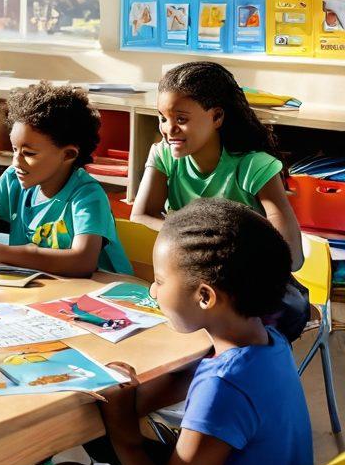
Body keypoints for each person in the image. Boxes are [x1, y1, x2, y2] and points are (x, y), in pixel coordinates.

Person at [22, 198, 313, 465]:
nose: (152, 290)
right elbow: (184, 383)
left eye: (159, 280)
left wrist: (124, 434)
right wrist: (133, 404)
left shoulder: (225, 386)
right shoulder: (268, 341)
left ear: (205, 297)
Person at [131, 60, 306, 338]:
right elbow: (141, 215)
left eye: (182, 119)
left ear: (217, 117)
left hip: (251, 282)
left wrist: (216, 246)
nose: (169, 129)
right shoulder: (163, 155)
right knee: (171, 300)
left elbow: (292, 257)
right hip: (197, 281)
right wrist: (198, 242)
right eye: (163, 118)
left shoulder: (253, 166)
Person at [0, 82, 131, 276]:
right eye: (14, 150)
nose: (16, 162)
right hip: (47, 289)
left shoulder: (87, 196)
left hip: (104, 294)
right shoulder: (12, 180)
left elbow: (82, 262)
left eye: (28, 153)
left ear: (68, 155)